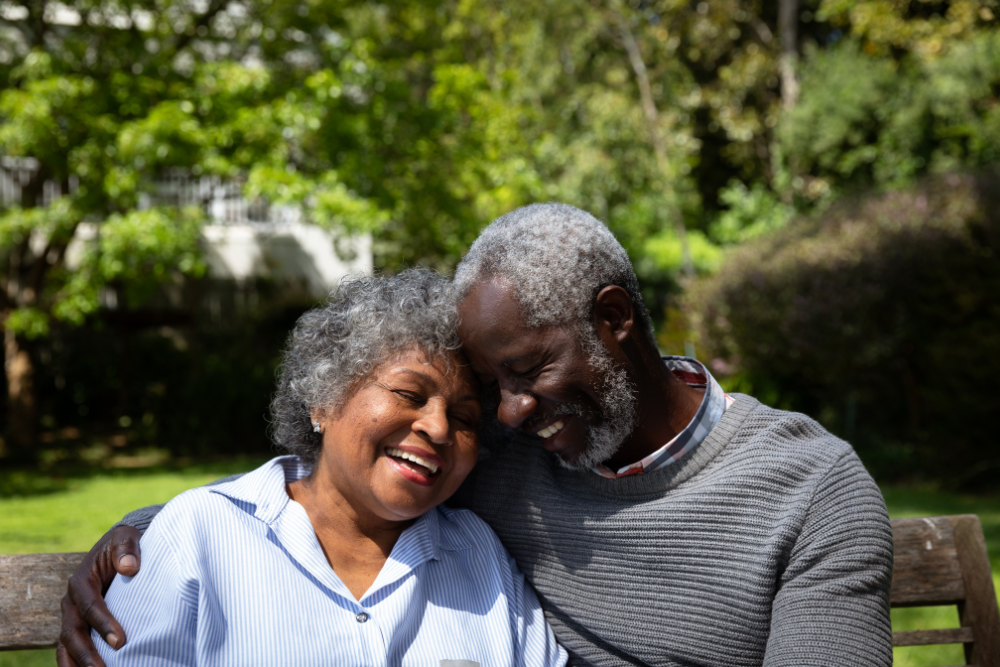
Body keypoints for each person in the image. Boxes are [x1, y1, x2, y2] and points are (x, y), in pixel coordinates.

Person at [60, 204, 893, 667]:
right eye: (491, 389)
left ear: (614, 321)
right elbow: (336, 481)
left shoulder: (810, 487)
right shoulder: (506, 454)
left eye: (527, 371)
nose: (505, 415)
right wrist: (145, 535)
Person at [78, 269, 567, 667]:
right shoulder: (199, 535)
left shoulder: (479, 553)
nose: (438, 428)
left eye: (463, 418)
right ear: (323, 399)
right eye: (407, 394)